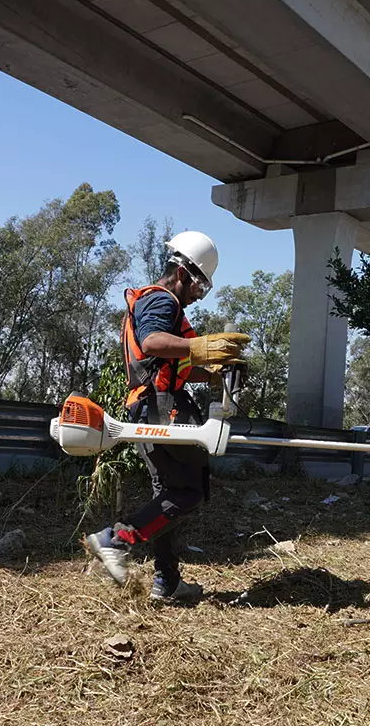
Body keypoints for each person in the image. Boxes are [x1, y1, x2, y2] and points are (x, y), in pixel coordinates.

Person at [84, 231, 249, 602]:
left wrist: (214, 370)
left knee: (167, 495)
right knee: (189, 492)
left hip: (151, 402)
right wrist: (198, 345)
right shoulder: (162, 301)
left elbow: (178, 365)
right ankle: (115, 541)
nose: (196, 295)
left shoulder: (165, 305)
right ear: (183, 272)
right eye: (199, 286)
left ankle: (167, 582)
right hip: (160, 406)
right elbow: (153, 342)